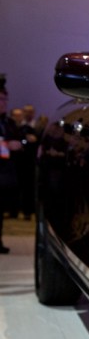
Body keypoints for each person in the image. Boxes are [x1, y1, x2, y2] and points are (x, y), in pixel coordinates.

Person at [0, 80, 20, 253]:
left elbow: (20, 139)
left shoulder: (8, 123)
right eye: (0, 99)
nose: (3, 103)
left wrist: (18, 144)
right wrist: (6, 143)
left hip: (5, 172)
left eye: (5, 99)